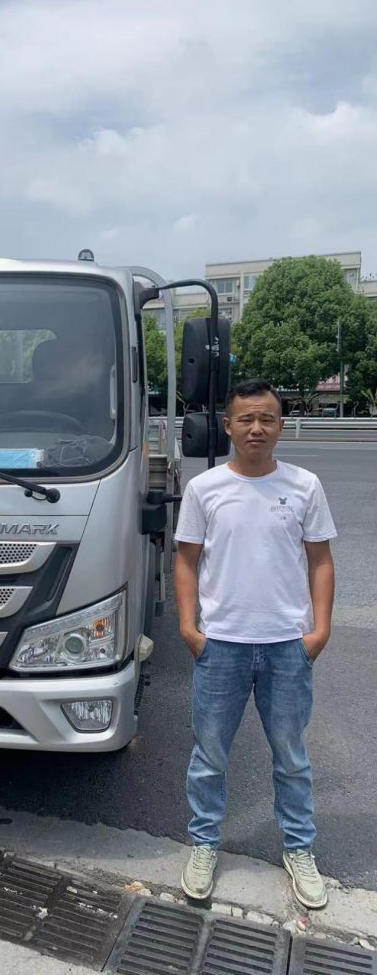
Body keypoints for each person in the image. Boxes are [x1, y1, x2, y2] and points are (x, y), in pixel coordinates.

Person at [174, 378, 336, 909]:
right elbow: (186, 561)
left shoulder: (305, 485)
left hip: (287, 645)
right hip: (221, 644)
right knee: (209, 756)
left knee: (291, 757)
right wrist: (189, 628)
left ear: (281, 425)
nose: (257, 428)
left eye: (267, 418)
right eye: (246, 419)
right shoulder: (205, 489)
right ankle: (204, 843)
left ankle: (299, 848)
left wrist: (320, 630)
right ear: (228, 426)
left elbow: (320, 560)